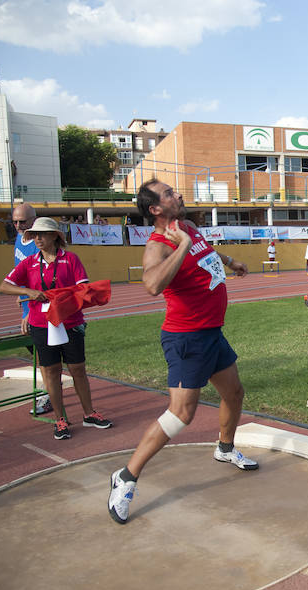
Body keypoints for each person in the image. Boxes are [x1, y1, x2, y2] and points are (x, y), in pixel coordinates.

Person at [107, 179, 254, 525]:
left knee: (234, 393)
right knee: (180, 414)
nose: (179, 195)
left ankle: (225, 449)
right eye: (169, 194)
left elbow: (206, 252)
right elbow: (152, 285)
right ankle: (126, 477)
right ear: (155, 209)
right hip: (186, 338)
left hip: (210, 333)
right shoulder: (159, 244)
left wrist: (231, 261)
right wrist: (183, 245)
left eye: (175, 190)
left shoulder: (187, 227)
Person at [0, 217, 112, 440]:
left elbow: (83, 289)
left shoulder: (70, 260)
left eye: (42, 234)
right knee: (51, 371)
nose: (37, 238)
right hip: (41, 325)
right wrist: (29, 293)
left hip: (69, 322)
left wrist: (61, 297)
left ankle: (89, 413)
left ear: (54, 236)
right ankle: (60, 419)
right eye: (34, 235)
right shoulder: (29, 263)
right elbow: (4, 286)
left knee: (78, 368)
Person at [11, 203, 52, 415]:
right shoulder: (19, 239)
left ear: (33, 220)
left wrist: (28, 310)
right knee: (38, 353)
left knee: (45, 354)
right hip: (28, 305)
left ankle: (49, 394)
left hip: (40, 307)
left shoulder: (38, 243)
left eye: (23, 222)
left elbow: (42, 280)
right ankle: (50, 390)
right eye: (15, 221)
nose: (18, 225)